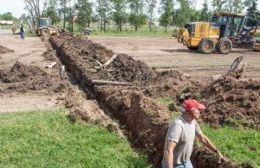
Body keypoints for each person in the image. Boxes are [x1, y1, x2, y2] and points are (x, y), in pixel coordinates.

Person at [162, 99, 227, 168]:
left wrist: (216, 151)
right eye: (198, 110)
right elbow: (169, 149)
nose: (200, 112)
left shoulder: (193, 122)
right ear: (192, 112)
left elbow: (202, 138)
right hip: (175, 165)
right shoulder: (178, 126)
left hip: (186, 162)